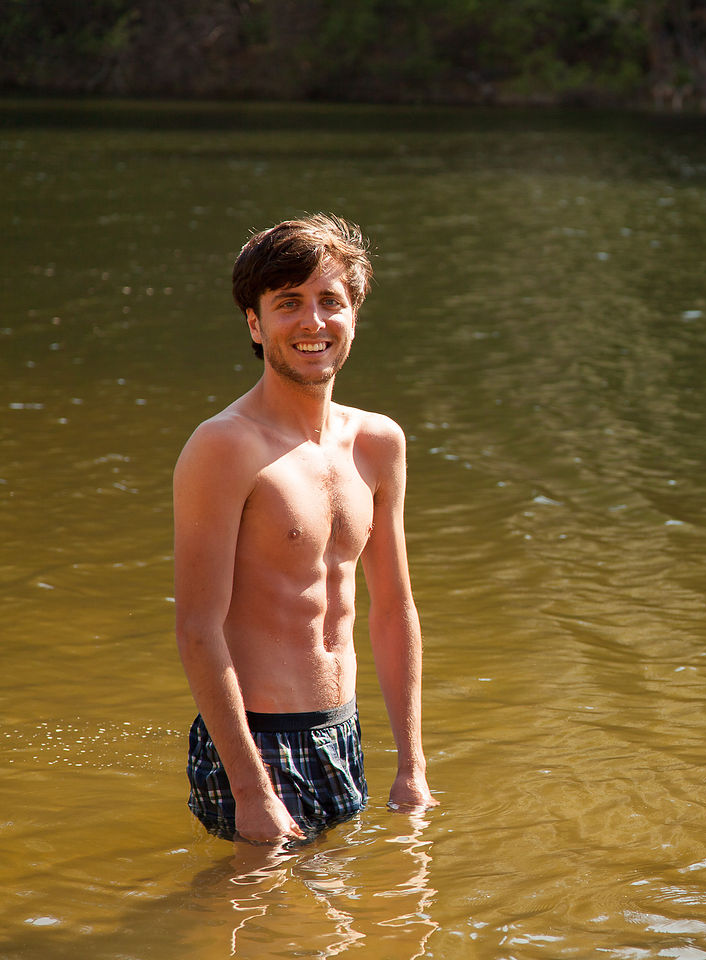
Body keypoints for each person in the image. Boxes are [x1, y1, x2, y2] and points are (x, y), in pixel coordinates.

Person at [174, 213, 436, 844]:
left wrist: (412, 764)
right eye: (288, 303)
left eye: (330, 301)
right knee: (257, 922)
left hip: (342, 731)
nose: (312, 322)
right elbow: (197, 626)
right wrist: (251, 790)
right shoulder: (224, 446)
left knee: (349, 921)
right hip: (254, 737)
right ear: (255, 324)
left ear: (354, 315)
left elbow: (393, 608)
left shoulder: (378, 443)